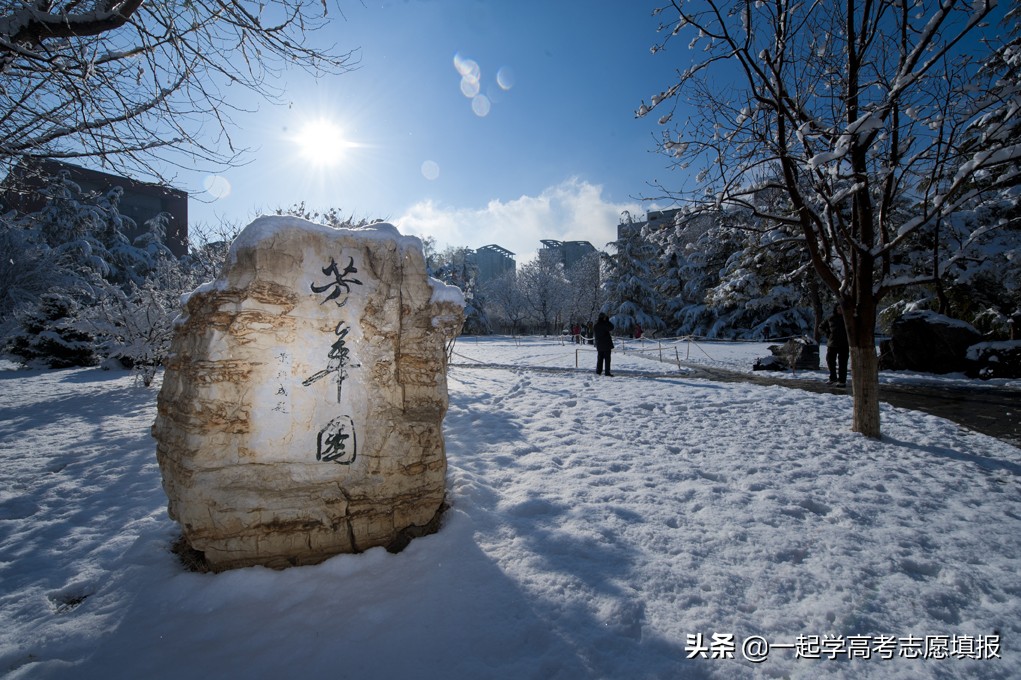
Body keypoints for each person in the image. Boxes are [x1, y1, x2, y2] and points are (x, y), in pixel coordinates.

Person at [826, 305, 849, 387]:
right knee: (830, 360)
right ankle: (833, 378)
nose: (840, 310)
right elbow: (821, 327)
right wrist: (828, 334)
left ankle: (842, 380)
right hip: (832, 343)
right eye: (838, 308)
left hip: (844, 343)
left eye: (841, 308)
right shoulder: (831, 318)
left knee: (842, 362)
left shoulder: (848, 318)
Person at [593, 312, 615, 376]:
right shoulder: (605, 324)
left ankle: (598, 371)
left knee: (600, 359)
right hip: (606, 345)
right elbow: (611, 327)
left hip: (599, 344)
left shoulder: (596, 325)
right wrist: (607, 321)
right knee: (607, 359)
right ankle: (607, 372)